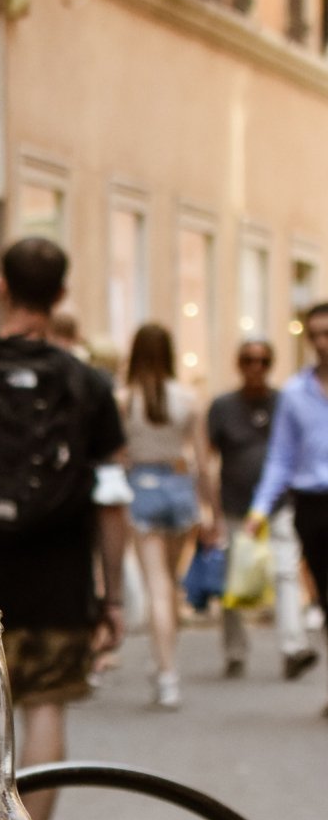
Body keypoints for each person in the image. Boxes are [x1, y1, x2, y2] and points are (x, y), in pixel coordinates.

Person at [0, 236, 125, 820]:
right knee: (46, 708)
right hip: (60, 575)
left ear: (0, 286)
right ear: (61, 293)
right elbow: (112, 501)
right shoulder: (86, 383)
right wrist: (112, 595)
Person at [208, 336, 315, 681]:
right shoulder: (222, 406)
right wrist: (209, 510)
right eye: (249, 360)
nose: (256, 368)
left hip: (280, 504)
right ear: (239, 365)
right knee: (234, 580)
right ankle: (235, 651)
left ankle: (293, 647)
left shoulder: (285, 402)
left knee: (286, 573)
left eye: (263, 361)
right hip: (235, 505)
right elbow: (208, 457)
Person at [117, 319, 212, 709]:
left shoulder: (124, 400)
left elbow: (117, 456)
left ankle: (166, 672)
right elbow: (203, 462)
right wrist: (211, 511)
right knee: (169, 584)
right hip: (178, 484)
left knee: (156, 584)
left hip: (141, 485)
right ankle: (165, 661)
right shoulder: (188, 399)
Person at [249, 298, 328, 713]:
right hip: (313, 505)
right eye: (315, 335)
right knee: (325, 595)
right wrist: (259, 509)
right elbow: (280, 457)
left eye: (327, 334)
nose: (322, 343)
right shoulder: (295, 393)